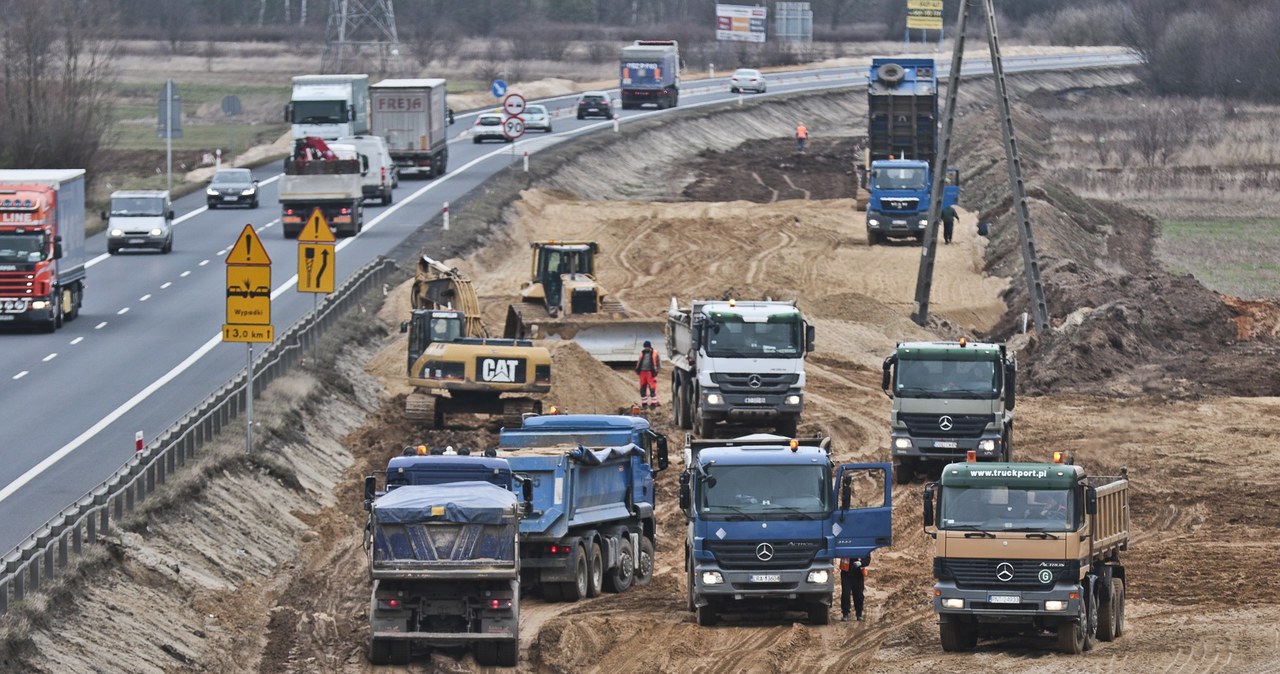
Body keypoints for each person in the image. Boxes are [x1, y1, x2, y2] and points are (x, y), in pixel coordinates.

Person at [840, 554, 870, 622]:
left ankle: (859, 614)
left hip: (858, 574)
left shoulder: (862, 546)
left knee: (858, 595)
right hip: (846, 573)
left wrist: (861, 563)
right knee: (845, 594)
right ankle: (845, 614)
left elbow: (867, 559)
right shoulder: (845, 544)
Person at [635, 340, 662, 409]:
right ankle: (644, 404)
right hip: (642, 373)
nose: (646, 348)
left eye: (647, 347)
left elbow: (659, 363)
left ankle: (654, 404)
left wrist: (657, 371)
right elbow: (639, 362)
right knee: (642, 389)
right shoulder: (642, 353)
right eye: (645, 347)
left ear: (650, 347)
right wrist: (637, 369)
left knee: (652, 389)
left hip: (650, 373)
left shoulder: (655, 353)